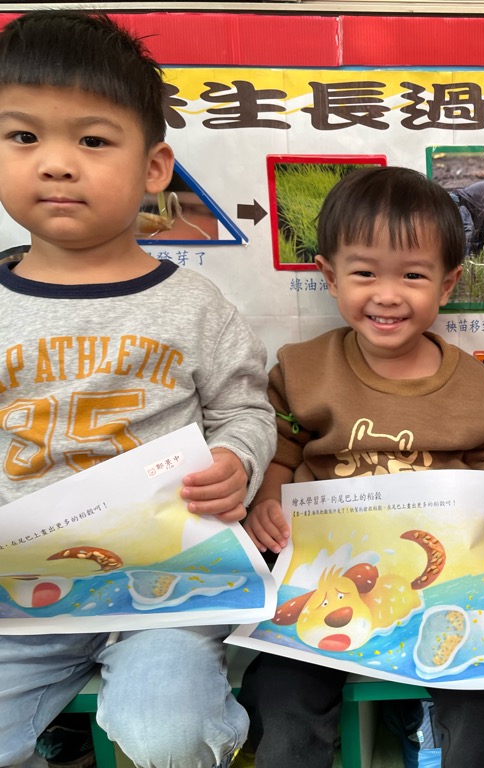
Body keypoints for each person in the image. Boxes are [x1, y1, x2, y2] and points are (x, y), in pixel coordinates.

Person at [0, 10, 276, 768]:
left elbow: (246, 410)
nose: (57, 164)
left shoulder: (195, 305)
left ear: (154, 168)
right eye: (23, 136)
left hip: (169, 587)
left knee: (168, 732)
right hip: (20, 592)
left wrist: (237, 462)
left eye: (92, 140)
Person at [237, 166, 484, 768]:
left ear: (447, 284)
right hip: (322, 575)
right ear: (330, 276)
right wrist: (267, 498)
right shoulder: (302, 369)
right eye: (365, 273)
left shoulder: (472, 385)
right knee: (281, 695)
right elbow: (281, 446)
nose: (388, 294)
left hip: (444, 576)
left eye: (413, 275)